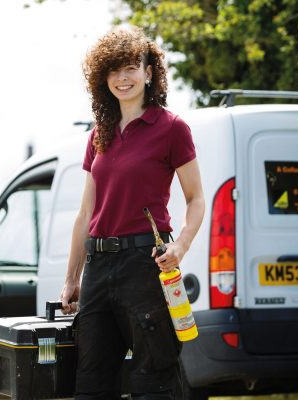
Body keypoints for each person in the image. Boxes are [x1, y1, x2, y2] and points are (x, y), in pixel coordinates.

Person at [60, 26, 205, 400]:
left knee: (153, 379)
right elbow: (85, 212)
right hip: (98, 267)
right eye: (113, 70)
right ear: (102, 78)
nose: (122, 78)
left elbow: (196, 199)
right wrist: (72, 278)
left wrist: (181, 248)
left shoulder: (172, 128)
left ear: (149, 72)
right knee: (91, 383)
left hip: (146, 266)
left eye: (130, 68)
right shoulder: (99, 134)